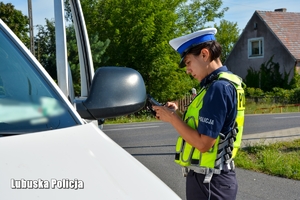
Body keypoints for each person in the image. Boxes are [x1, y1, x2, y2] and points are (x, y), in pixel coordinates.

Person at [153, 28, 245, 200]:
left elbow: (203, 144)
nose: (187, 70)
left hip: (210, 182)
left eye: (188, 62)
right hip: (211, 179)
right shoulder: (221, 83)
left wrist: (172, 118)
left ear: (204, 54)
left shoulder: (218, 88)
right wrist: (177, 113)